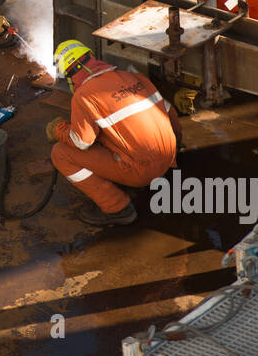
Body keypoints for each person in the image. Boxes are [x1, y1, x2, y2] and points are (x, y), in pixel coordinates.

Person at [46, 40, 180, 227]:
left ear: (69, 76)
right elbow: (171, 113)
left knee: (60, 153)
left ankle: (117, 208)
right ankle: (156, 173)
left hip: (142, 171)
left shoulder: (84, 95)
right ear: (92, 58)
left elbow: (82, 142)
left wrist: (59, 130)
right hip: (169, 159)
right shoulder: (134, 76)